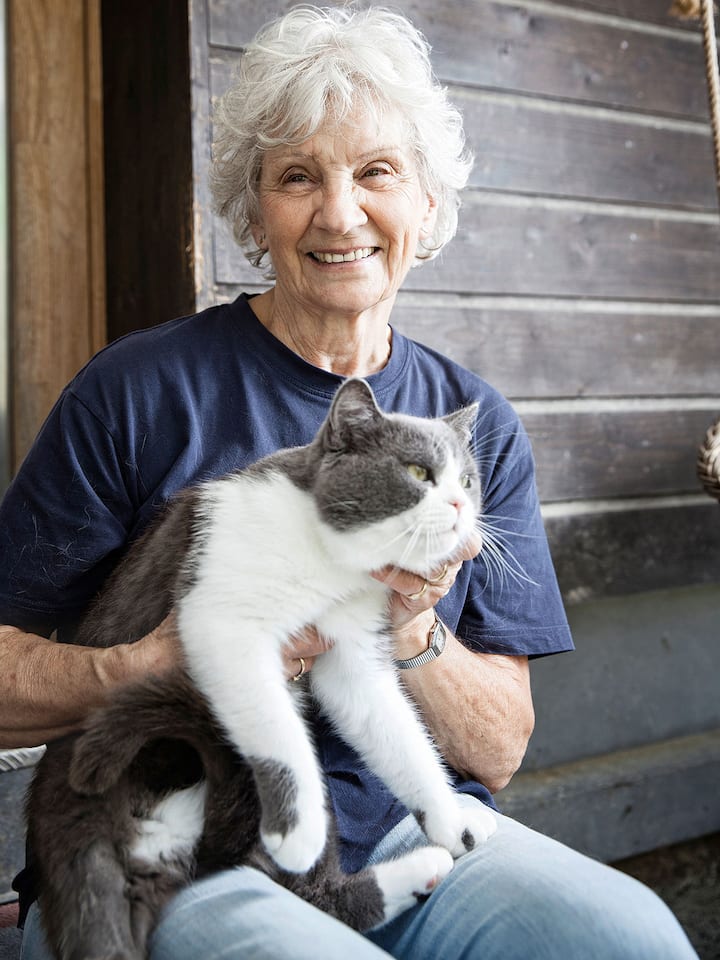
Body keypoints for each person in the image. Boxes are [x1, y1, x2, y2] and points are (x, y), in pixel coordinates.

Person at [0, 7, 697, 959]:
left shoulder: (469, 422)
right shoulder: (139, 392)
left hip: (398, 830)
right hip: (179, 840)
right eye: (298, 177)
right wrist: (137, 668)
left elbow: (496, 749)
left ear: (426, 204)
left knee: (627, 938)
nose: (338, 213)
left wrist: (410, 627)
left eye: (375, 171)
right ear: (255, 209)